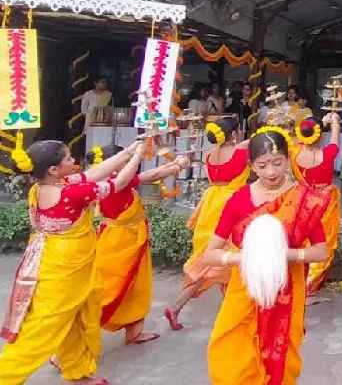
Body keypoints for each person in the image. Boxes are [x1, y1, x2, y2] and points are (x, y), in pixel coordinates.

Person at [0, 139, 145, 385]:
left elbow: (92, 174)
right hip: (65, 268)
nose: (73, 161)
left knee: (76, 317)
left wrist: (130, 150)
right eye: (67, 158)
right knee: (42, 328)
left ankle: (77, 372)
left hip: (59, 261)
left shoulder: (44, 187)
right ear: (53, 169)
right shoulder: (72, 192)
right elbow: (118, 183)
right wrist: (139, 156)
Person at [204, 128, 330, 385]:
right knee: (230, 350)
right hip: (246, 286)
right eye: (262, 165)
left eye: (278, 163)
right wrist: (246, 258)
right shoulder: (239, 199)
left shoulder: (303, 199)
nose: (271, 172)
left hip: (287, 287)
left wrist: (283, 255)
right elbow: (210, 254)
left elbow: (321, 251)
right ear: (251, 166)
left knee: (280, 355)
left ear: (288, 159)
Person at [90, 145, 189, 345]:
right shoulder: (117, 182)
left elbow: (148, 175)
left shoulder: (105, 181)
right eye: (128, 161)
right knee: (116, 290)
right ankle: (76, 337)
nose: (132, 165)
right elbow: (152, 175)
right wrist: (177, 165)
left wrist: (174, 165)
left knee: (130, 286)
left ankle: (133, 331)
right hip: (123, 242)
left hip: (119, 239)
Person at [164, 117, 249, 330]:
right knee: (227, 258)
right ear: (234, 134)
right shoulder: (241, 152)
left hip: (210, 206)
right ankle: (179, 306)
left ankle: (232, 311)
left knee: (210, 258)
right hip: (231, 206)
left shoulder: (210, 155)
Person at [292, 116, 341, 299]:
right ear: (320, 136)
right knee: (324, 239)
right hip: (325, 201)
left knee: (305, 239)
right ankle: (311, 283)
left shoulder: (294, 153)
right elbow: (335, 140)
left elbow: (298, 139)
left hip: (304, 201)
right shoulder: (327, 154)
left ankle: (300, 279)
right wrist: (334, 123)